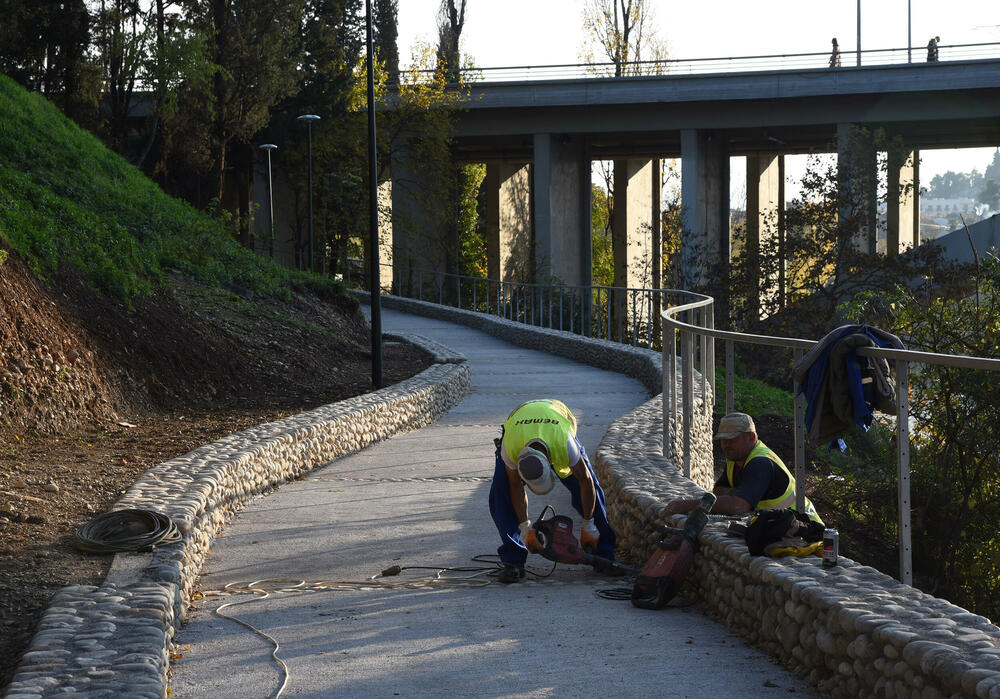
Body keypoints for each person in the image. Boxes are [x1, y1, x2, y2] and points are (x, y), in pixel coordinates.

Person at [488, 398, 617, 583]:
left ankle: (604, 553)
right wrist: (525, 528)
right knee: (501, 493)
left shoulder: (564, 443)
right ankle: (513, 561)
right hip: (519, 427)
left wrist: (589, 524)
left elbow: (585, 481)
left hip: (555, 421)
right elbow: (515, 486)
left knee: (592, 488)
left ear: (549, 462)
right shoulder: (511, 449)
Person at [661, 412, 823, 523]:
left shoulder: (760, 463)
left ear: (751, 437)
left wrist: (684, 506)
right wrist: (732, 494)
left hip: (806, 529)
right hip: (782, 526)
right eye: (723, 440)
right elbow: (717, 493)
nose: (726, 445)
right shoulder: (736, 459)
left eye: (732, 439)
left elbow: (737, 506)